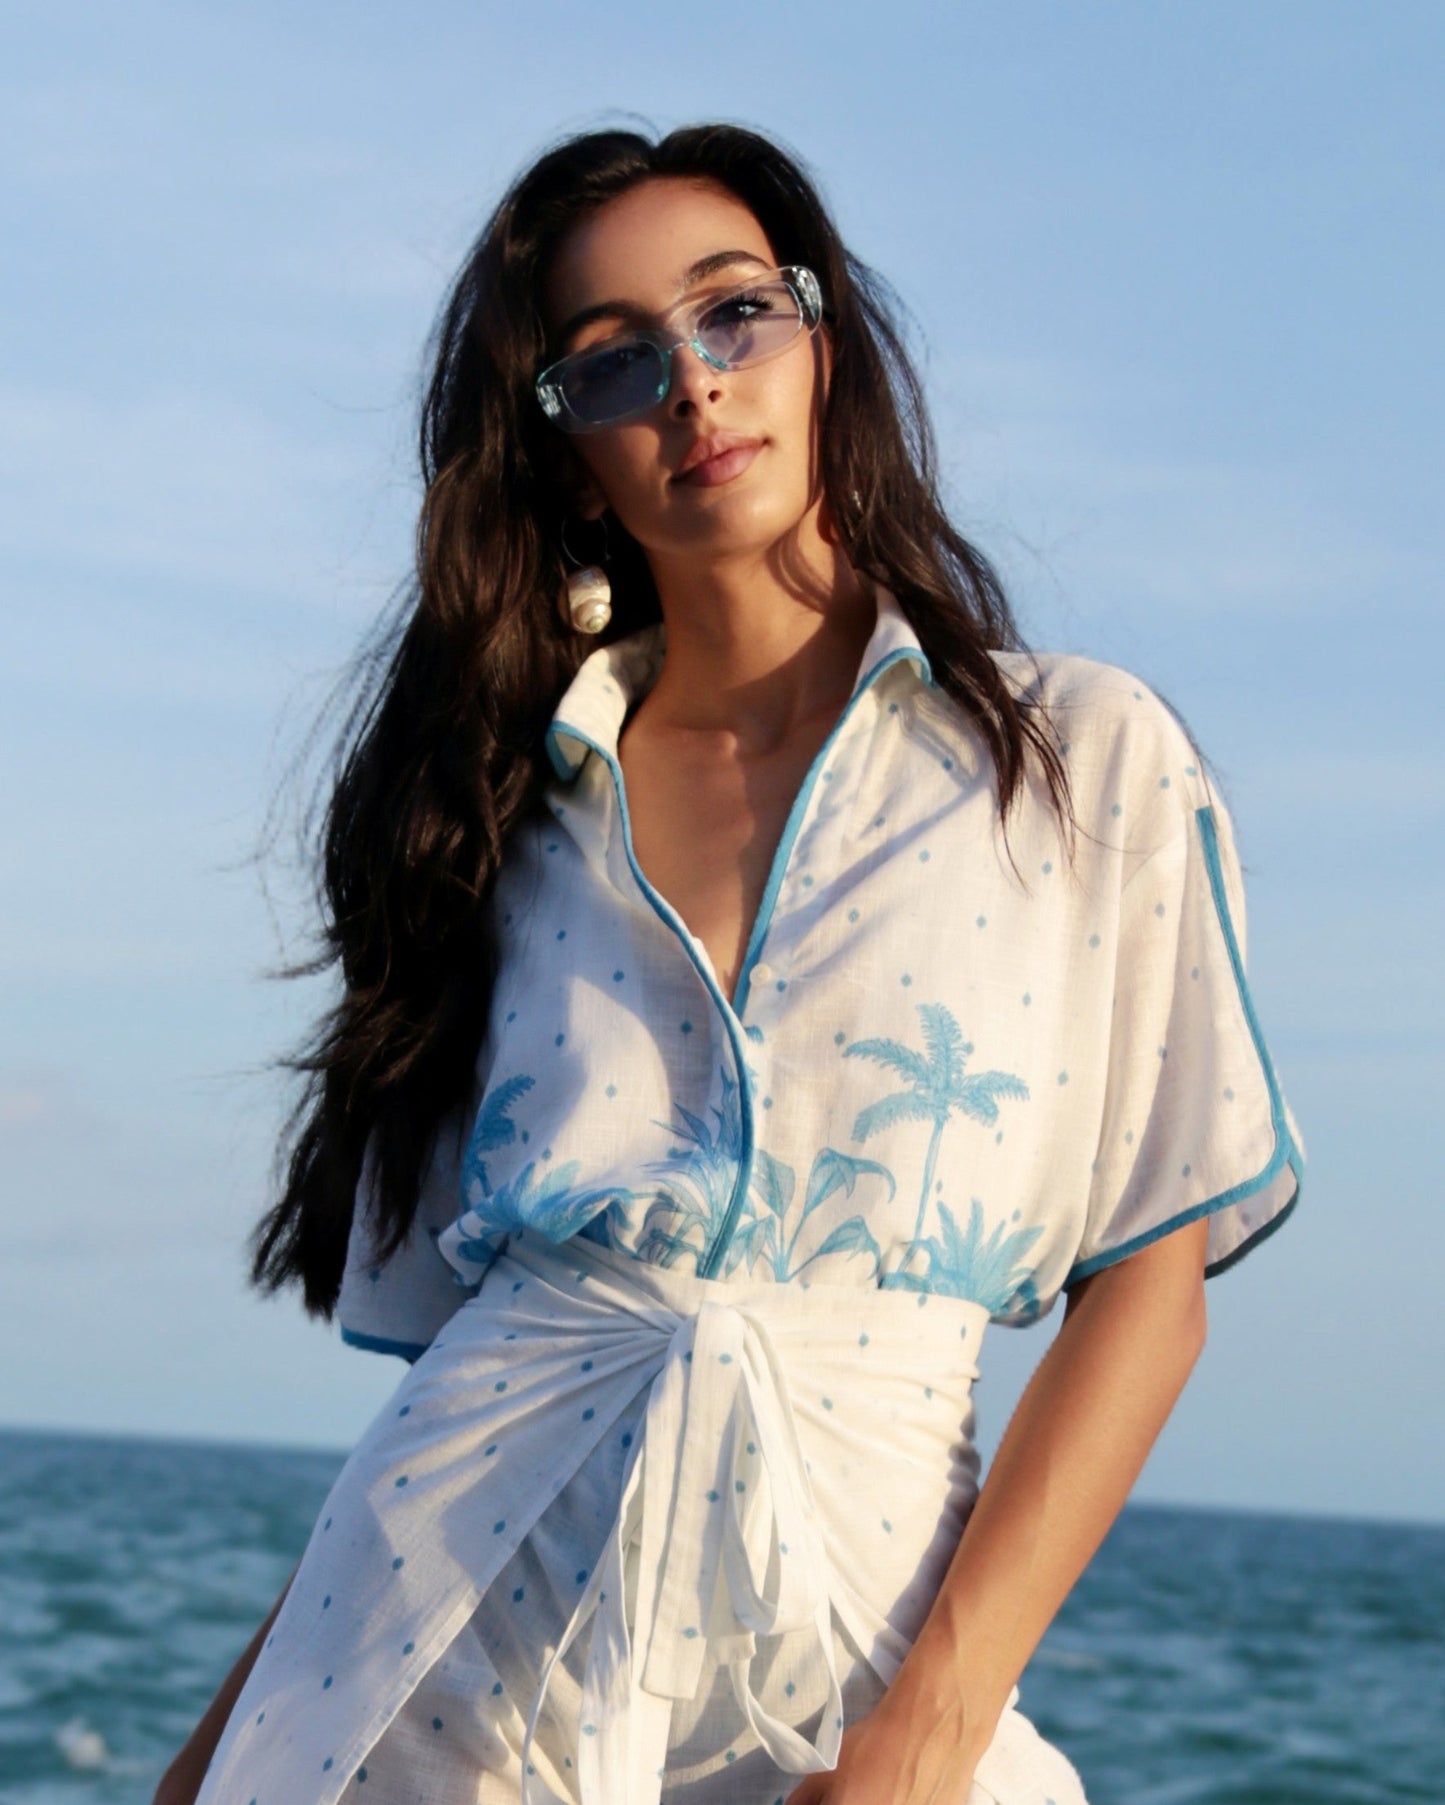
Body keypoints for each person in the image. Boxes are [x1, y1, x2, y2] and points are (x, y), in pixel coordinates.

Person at [156, 122, 1303, 1805]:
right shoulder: (496, 821)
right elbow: (462, 1410)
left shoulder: (1078, 760)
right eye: (612, 363)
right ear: (563, 452)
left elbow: (1149, 1284)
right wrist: (217, 1756)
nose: (691, 387)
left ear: (825, 342)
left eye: (734, 314)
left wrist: (927, 1736)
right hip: (439, 1703)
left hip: (856, 1677)